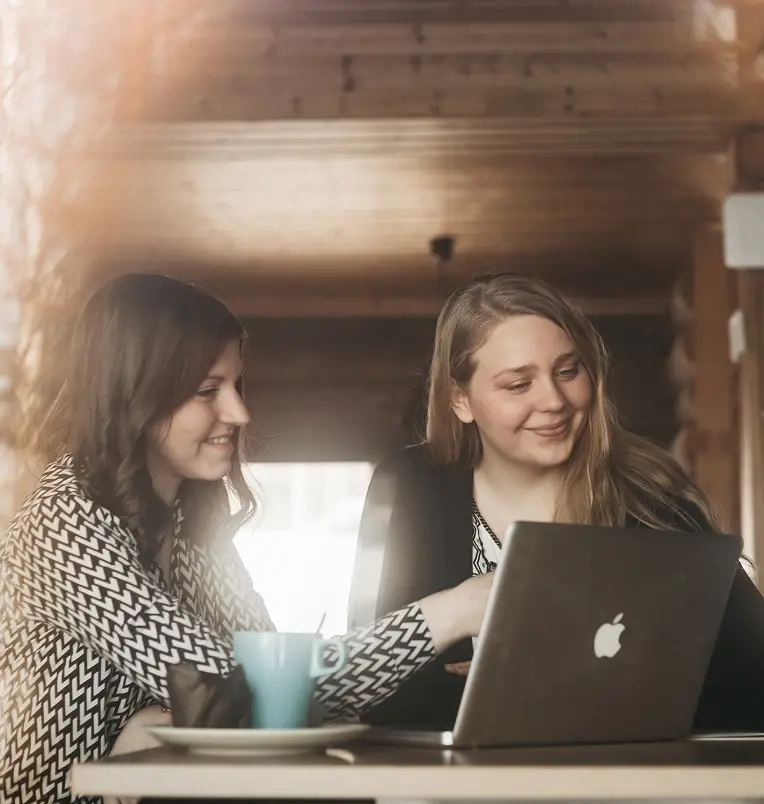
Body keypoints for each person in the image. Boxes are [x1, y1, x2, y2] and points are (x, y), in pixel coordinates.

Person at [0, 273, 493, 804]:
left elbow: (288, 690)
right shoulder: (67, 518)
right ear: (136, 395)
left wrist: (165, 723)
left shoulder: (189, 527)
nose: (239, 413)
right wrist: (451, 612)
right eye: (208, 391)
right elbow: (234, 690)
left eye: (237, 386)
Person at [348, 271, 764, 732]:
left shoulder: (652, 497)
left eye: (567, 371)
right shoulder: (410, 486)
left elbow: (750, 682)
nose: (554, 400)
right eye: (517, 384)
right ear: (460, 401)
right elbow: (371, 689)